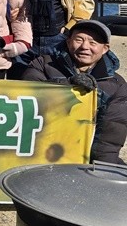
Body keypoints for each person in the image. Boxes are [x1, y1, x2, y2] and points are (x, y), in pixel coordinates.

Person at [18, 20, 126, 165]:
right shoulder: (42, 64)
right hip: (40, 148)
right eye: (79, 40)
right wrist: (68, 86)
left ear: (105, 48)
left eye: (93, 42)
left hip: (84, 157)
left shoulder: (116, 85)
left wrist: (104, 169)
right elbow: (29, 96)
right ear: (68, 42)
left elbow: (110, 135)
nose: (84, 47)